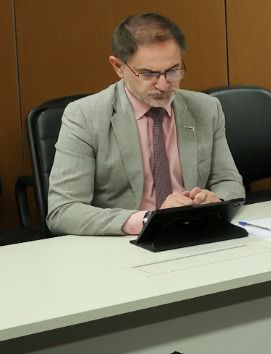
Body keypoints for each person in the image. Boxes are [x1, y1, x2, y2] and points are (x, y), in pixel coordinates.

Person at [48, 13, 245, 236]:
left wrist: (215, 201)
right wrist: (148, 220)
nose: (163, 85)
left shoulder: (206, 108)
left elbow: (228, 181)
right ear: (118, 67)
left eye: (173, 70)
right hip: (124, 246)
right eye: (149, 74)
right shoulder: (84, 116)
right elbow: (63, 211)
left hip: (194, 235)